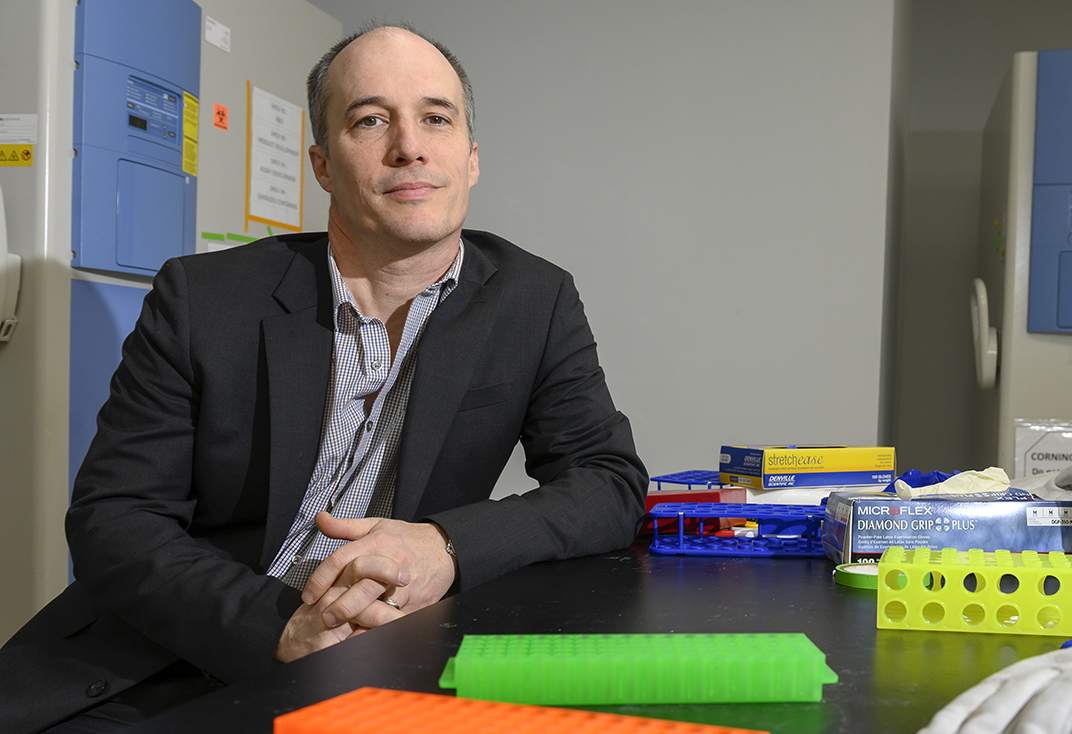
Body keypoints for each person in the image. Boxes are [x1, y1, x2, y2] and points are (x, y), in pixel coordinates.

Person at [0, 22, 647, 733]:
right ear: (322, 165)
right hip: (166, 658)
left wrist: (445, 546)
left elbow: (607, 481)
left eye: (436, 117)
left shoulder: (534, 299)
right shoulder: (202, 298)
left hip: (389, 663)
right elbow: (114, 519)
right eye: (371, 120)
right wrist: (278, 629)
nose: (410, 146)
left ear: (470, 157)